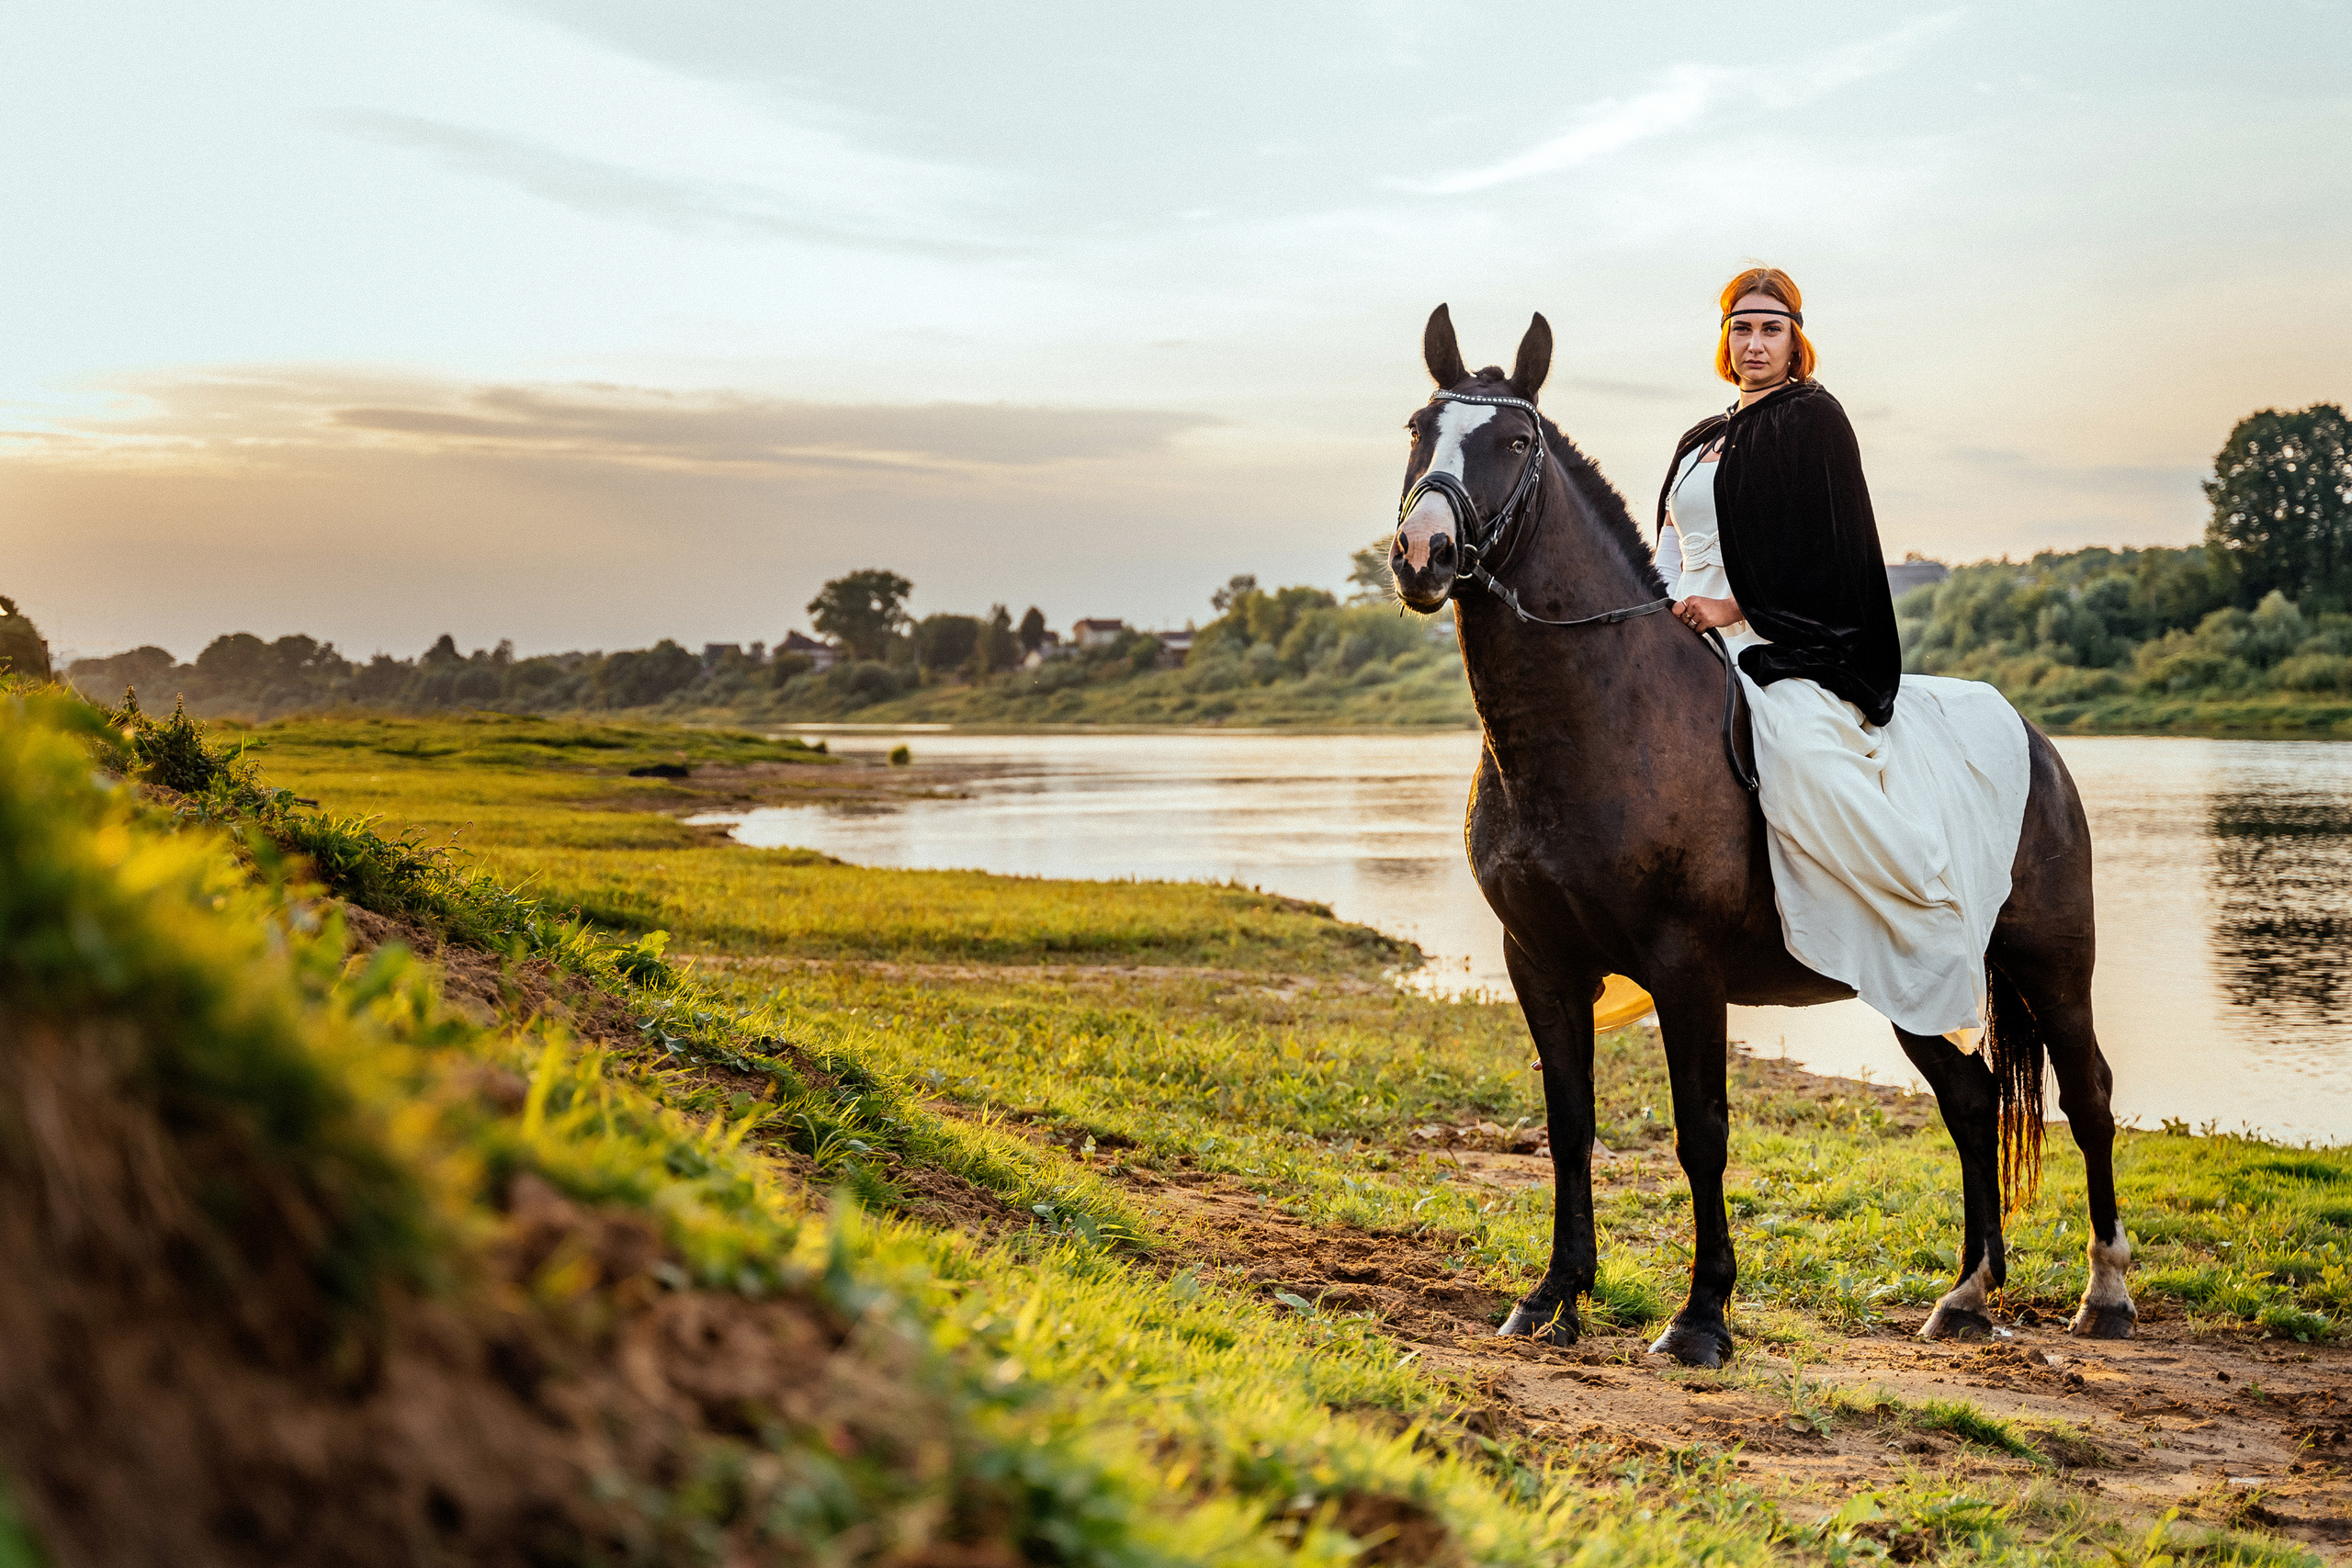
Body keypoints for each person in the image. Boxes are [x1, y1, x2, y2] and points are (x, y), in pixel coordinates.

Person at [1652, 266, 2029, 1041]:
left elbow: (1834, 553)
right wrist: (1650, 616)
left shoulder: (1813, 421)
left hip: (1782, 640)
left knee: (1803, 754)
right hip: (1679, 634)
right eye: (1741, 328)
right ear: (1724, 340)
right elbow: (1666, 546)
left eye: (1771, 327)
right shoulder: (1700, 439)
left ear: (1796, 340)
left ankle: (1925, 914)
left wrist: (1734, 608)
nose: (1754, 342)